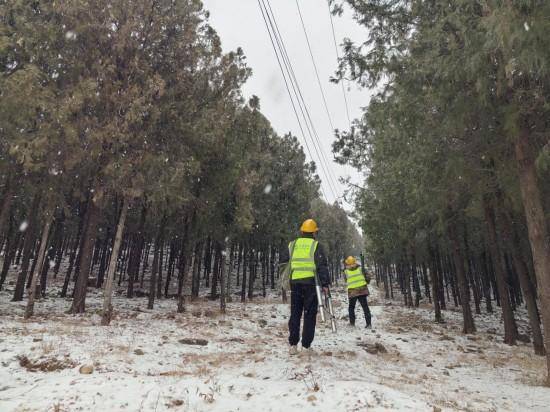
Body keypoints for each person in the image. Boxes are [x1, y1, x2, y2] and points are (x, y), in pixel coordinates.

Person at [280, 219, 330, 355]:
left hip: (295, 283)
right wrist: (325, 284)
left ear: (302, 231)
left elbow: (283, 263)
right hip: (310, 284)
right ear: (314, 233)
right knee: (309, 315)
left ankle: (293, 345)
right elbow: (322, 266)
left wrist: (286, 279)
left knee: (295, 313)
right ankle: (306, 347)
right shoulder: (316, 245)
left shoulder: (292, 244)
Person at [344, 256, 372, 328]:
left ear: (347, 263)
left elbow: (345, 280)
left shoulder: (346, 271)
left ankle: (352, 323)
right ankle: (369, 324)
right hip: (362, 290)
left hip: (352, 291)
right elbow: (368, 276)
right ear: (355, 262)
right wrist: (367, 282)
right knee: (365, 307)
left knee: (351, 307)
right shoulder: (361, 268)